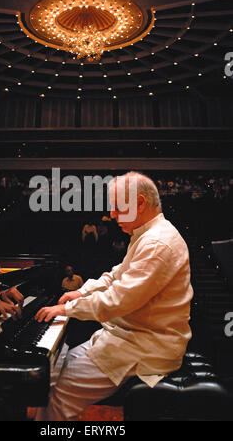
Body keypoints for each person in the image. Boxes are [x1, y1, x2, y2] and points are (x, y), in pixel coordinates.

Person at [34, 171, 194, 421]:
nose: (112, 215)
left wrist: (67, 309)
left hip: (146, 346)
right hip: (128, 337)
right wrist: (80, 291)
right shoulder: (146, 235)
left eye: (119, 208)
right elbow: (115, 275)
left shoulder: (156, 243)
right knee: (54, 373)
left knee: (57, 394)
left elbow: (118, 300)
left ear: (140, 203)